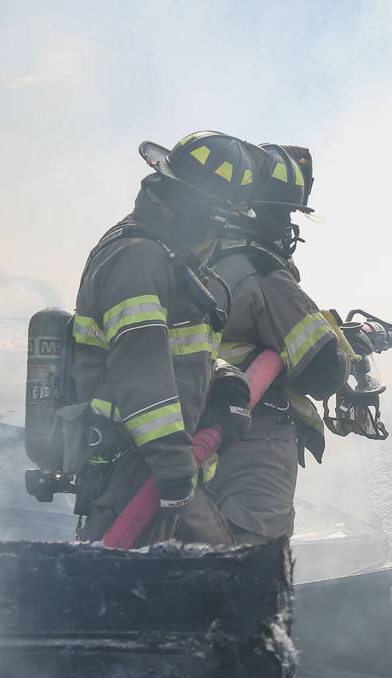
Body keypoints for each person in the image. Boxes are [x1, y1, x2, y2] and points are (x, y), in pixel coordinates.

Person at [71, 131, 268, 544]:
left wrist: (225, 379)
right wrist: (174, 464)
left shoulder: (169, 257)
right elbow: (141, 373)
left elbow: (179, 349)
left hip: (155, 462)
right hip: (135, 467)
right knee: (132, 588)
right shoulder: (140, 260)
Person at [205, 143, 349, 544]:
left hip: (200, 438)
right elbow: (322, 374)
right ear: (255, 211)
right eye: (283, 213)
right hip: (253, 446)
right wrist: (346, 354)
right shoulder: (263, 273)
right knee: (253, 565)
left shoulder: (198, 263)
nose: (287, 226)